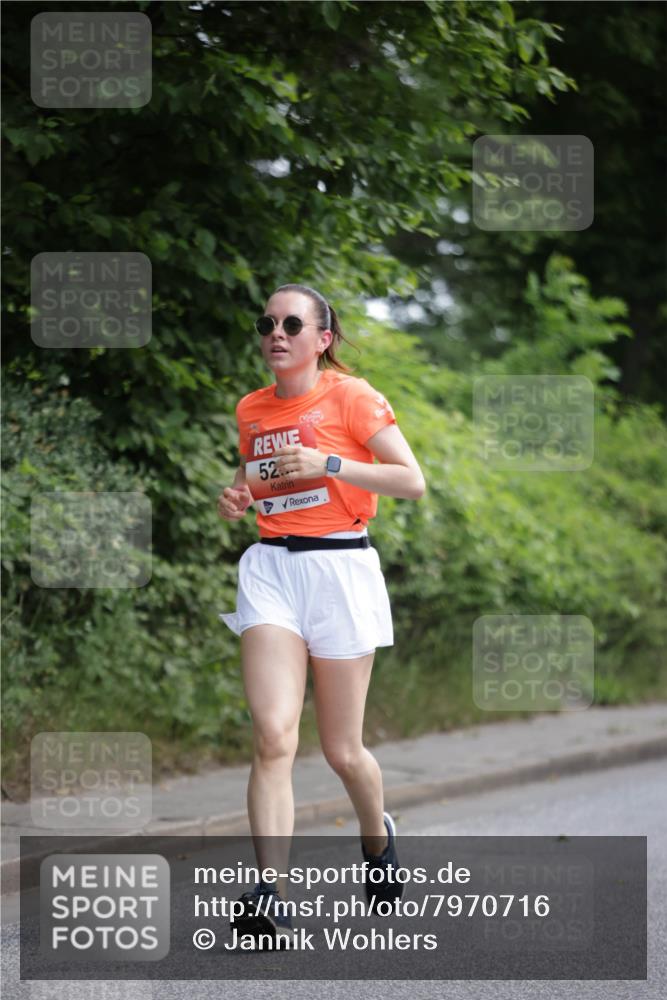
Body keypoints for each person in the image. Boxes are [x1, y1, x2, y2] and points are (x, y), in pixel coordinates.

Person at [217, 283, 426, 944]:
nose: (276, 333)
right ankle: (271, 893)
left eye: (291, 324)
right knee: (273, 736)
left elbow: (410, 480)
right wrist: (238, 496)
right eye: (267, 323)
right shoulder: (250, 407)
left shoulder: (351, 397)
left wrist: (332, 461)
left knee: (341, 751)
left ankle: (375, 832)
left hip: (339, 571)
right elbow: (261, 483)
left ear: (321, 338)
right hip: (273, 568)